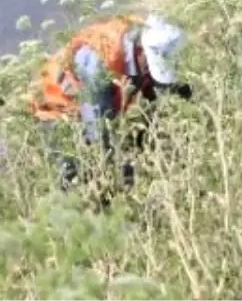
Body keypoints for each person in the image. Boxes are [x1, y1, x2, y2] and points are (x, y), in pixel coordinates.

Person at [32, 13, 190, 194]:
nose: (148, 70)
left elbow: (164, 91)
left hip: (100, 104)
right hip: (59, 113)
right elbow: (98, 136)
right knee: (75, 181)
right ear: (141, 52)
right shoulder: (98, 63)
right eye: (149, 65)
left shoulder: (149, 35)